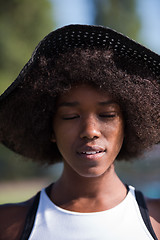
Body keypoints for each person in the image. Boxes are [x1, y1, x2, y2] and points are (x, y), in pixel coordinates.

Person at [0, 24, 159, 240]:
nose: (90, 131)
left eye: (107, 115)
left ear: (128, 125)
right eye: (70, 116)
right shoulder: (9, 225)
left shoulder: (156, 221)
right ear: (50, 128)